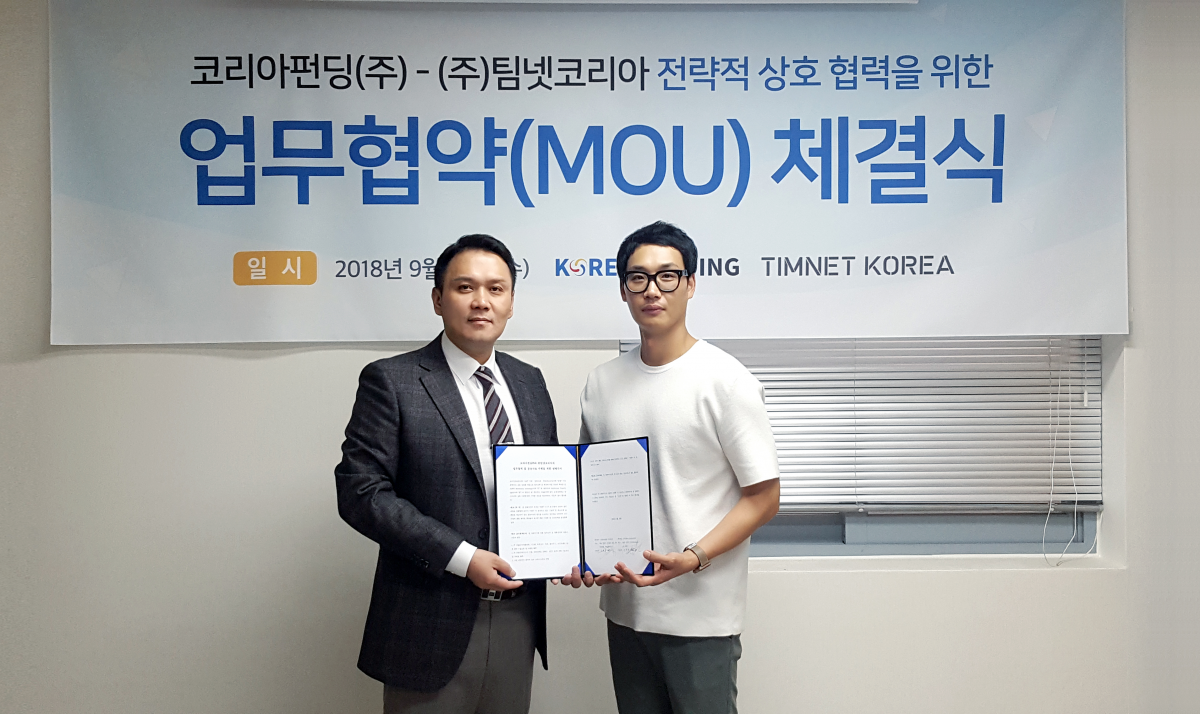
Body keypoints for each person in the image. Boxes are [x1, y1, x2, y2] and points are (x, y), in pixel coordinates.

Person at [563, 221, 781, 714]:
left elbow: (764, 497)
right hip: (624, 609)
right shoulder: (601, 382)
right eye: (637, 277)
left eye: (667, 276)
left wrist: (693, 556)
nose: (652, 290)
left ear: (691, 284)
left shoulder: (726, 380)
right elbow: (590, 487)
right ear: (623, 289)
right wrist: (578, 554)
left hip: (699, 614)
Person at [335, 234, 557, 714]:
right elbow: (361, 492)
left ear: (511, 302)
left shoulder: (529, 382)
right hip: (428, 619)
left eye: (496, 289)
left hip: (519, 615)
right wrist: (463, 557)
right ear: (438, 299)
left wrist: (570, 550)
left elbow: (550, 487)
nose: (481, 301)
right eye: (465, 287)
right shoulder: (392, 380)